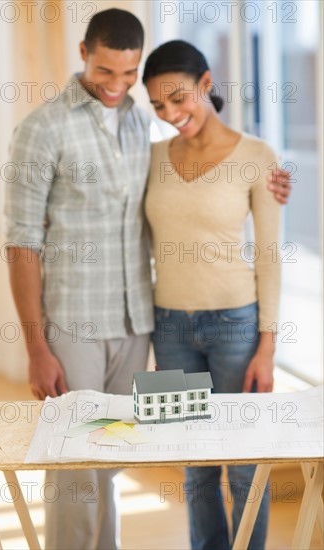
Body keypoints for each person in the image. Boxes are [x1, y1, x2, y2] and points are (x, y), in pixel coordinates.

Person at [5, 9, 291, 550]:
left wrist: (268, 345)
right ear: (85, 52)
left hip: (190, 327)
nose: (119, 87)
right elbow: (34, 235)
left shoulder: (209, 145)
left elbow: (259, 239)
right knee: (128, 467)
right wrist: (36, 343)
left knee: (202, 463)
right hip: (126, 327)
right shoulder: (92, 138)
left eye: (129, 76)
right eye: (105, 71)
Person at [143, 40, 282, 550]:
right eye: (158, 105)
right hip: (171, 327)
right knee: (195, 468)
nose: (170, 114)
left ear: (206, 83)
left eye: (178, 99)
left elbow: (269, 257)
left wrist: (267, 348)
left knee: (244, 466)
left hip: (236, 328)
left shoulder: (258, 156)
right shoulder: (152, 158)